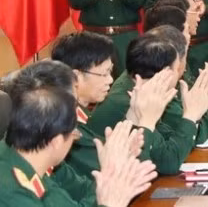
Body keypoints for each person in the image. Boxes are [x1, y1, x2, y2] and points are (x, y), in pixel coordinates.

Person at [0, 79, 156, 206]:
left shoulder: (28, 160)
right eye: (74, 134)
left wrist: (110, 173)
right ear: (56, 141)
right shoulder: (13, 191)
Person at [87, 28, 208, 175]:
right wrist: (191, 115)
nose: (180, 73)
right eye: (177, 68)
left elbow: (166, 151)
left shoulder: (143, 93)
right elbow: (168, 163)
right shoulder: (129, 100)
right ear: (165, 73)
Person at [50, 33, 173, 177]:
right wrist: (147, 123)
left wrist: (134, 115)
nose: (110, 80)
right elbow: (129, 177)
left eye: (111, 71)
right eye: (104, 73)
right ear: (76, 77)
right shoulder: (66, 127)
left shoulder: (80, 112)